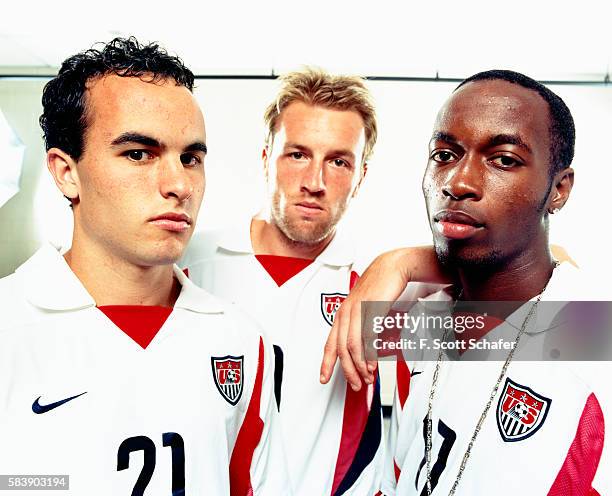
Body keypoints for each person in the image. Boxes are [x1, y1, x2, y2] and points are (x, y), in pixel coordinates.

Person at [0, 37, 287, 495]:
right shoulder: (8, 326)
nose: (179, 184)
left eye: (190, 158)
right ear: (65, 172)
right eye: (138, 153)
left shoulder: (240, 340)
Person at [324, 70, 607, 494]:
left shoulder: (593, 342)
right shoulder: (418, 321)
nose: (458, 182)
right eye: (444, 154)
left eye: (504, 160)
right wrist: (394, 263)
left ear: (559, 189)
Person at [182, 68, 384, 495]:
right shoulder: (186, 265)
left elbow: (556, 332)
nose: (315, 183)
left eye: (339, 162)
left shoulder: (379, 289)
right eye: (297, 155)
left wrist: (402, 264)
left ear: (361, 177)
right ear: (265, 158)